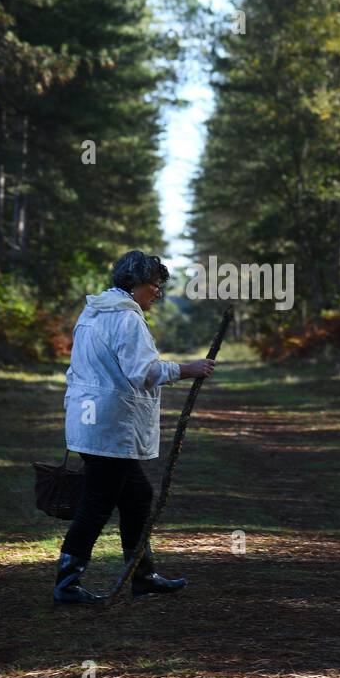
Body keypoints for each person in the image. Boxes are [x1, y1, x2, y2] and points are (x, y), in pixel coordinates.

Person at [53, 250, 216, 604]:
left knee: (137, 496)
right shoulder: (127, 319)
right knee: (96, 504)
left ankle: (142, 576)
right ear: (134, 283)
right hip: (111, 426)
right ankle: (67, 586)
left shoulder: (93, 313)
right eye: (154, 284)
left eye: (160, 285)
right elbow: (144, 372)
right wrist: (188, 369)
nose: (158, 292)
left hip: (90, 421)